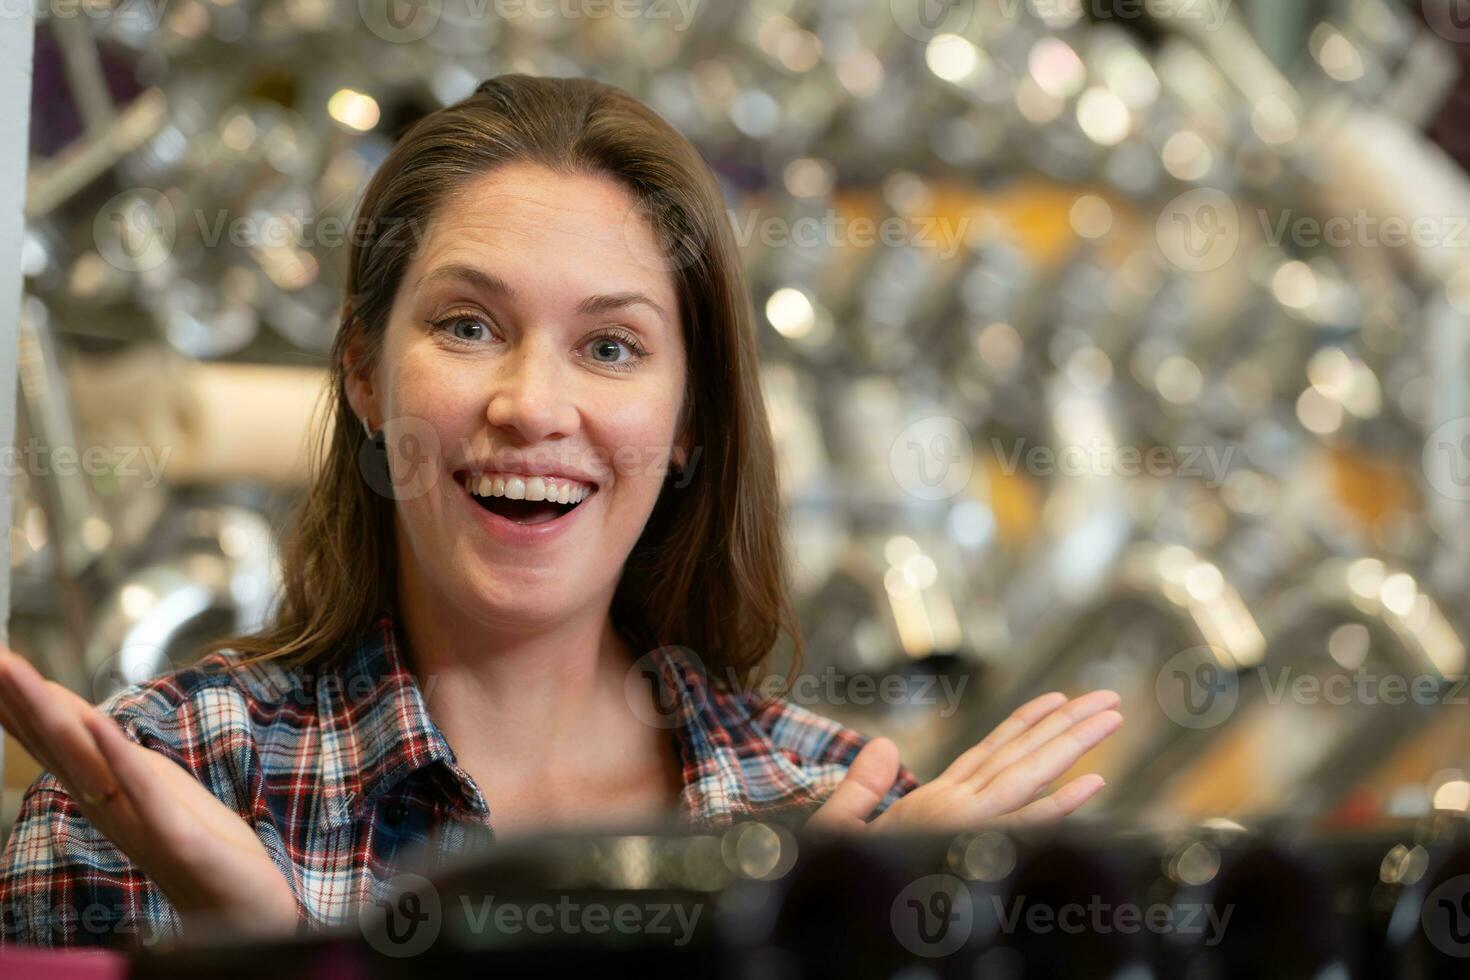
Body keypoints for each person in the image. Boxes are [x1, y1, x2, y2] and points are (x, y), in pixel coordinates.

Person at [0, 74, 1122, 950]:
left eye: (611, 346)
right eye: (469, 326)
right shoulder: (149, 794)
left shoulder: (855, 834)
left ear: (691, 421)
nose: (533, 405)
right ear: (362, 376)